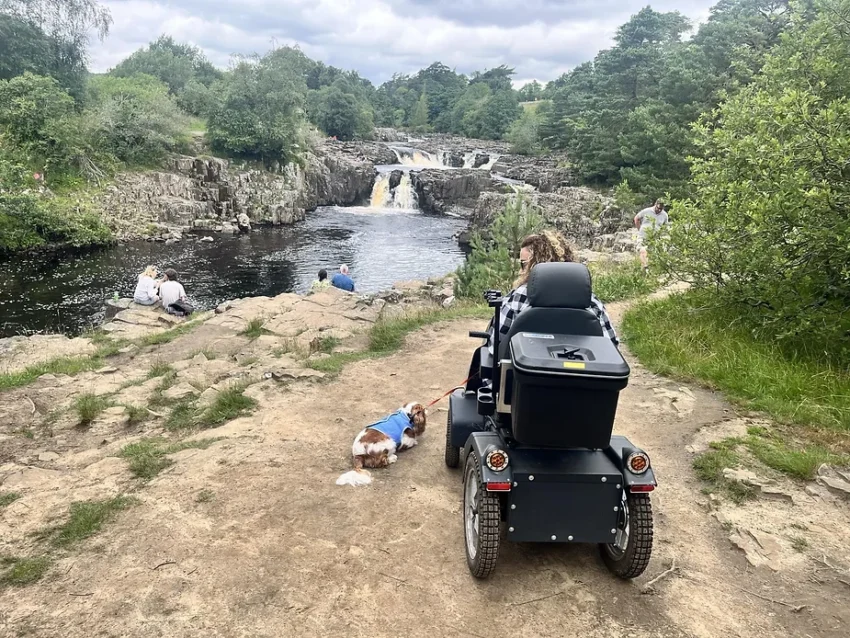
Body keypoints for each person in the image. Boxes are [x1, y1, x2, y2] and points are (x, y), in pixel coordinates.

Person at [634, 199, 669, 271]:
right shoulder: (646, 211)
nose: (659, 210)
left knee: (650, 255)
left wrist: (659, 234)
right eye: (658, 208)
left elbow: (664, 227)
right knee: (642, 250)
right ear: (655, 204)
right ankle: (645, 268)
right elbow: (636, 218)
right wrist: (639, 229)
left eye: (661, 209)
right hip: (643, 235)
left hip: (654, 238)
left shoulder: (665, 215)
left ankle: (644, 271)